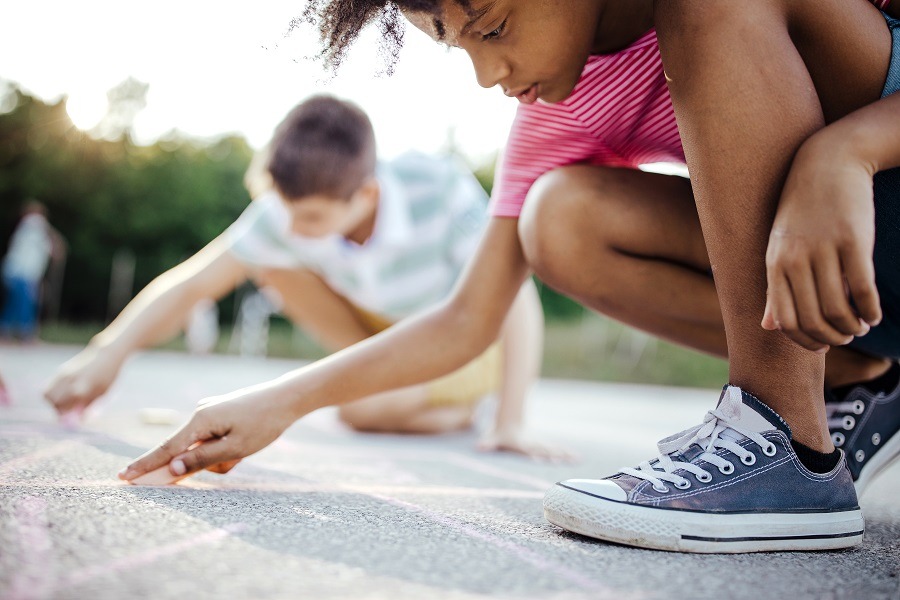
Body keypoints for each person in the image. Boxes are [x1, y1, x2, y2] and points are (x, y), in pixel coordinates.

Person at [119, 0, 900, 553]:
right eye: (457, 45)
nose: (487, 73)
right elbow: (467, 320)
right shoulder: (554, 113)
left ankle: (786, 445)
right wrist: (279, 400)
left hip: (875, 188)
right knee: (559, 220)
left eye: (493, 27)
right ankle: (855, 374)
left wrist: (847, 150)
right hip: (868, 292)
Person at [45, 95, 562, 460]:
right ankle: (388, 393)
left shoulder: (440, 188)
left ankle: (458, 409)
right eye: (287, 212)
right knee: (268, 263)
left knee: (362, 411)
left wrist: (510, 420)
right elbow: (195, 281)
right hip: (377, 324)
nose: (293, 228)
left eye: (311, 219)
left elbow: (515, 294)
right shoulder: (288, 212)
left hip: (458, 333)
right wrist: (107, 352)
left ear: (366, 196)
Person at [1, 200, 63, 341]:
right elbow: (55, 246)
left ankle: (6, 332)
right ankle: (26, 334)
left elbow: (51, 250)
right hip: (22, 273)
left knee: (15, 303)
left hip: (17, 272)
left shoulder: (31, 232)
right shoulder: (33, 223)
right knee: (25, 303)